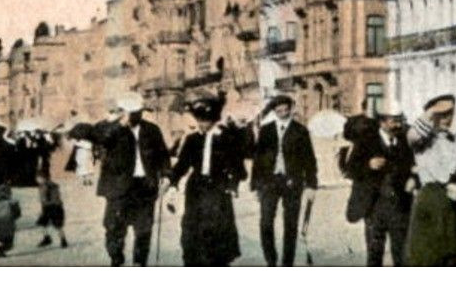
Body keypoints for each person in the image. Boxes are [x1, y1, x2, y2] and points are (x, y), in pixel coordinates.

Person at [168, 94, 246, 267]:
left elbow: (238, 167)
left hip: (218, 189)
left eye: (206, 120)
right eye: (199, 119)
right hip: (196, 189)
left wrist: (233, 185)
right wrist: (171, 182)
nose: (202, 124)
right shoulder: (192, 139)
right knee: (191, 231)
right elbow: (182, 165)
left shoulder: (226, 138)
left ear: (214, 119)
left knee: (217, 233)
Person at [95, 99, 170, 267]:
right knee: (114, 228)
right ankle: (117, 260)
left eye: (139, 112)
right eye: (132, 112)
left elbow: (163, 155)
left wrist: (166, 175)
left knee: (144, 229)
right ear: (123, 111)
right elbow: (102, 140)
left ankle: (139, 263)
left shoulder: (151, 130)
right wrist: (120, 124)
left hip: (144, 185)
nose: (136, 116)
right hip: (118, 187)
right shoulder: (108, 128)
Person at [405, 94, 456, 266]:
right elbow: (412, 135)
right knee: (427, 257)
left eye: (450, 113)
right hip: (431, 200)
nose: (446, 118)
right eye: (441, 114)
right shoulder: (422, 141)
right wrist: (430, 113)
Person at [344, 100, 415, 266]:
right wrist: (368, 165)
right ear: (382, 121)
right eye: (393, 120)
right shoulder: (366, 140)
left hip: (400, 206)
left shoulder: (405, 141)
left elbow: (414, 166)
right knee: (375, 255)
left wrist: (413, 178)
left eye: (400, 120)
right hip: (374, 207)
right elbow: (350, 168)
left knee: (403, 256)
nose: (398, 124)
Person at [250, 93, 318, 267]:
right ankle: (271, 261)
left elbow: (309, 159)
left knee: (291, 226)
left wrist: (311, 185)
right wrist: (255, 185)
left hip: (292, 183)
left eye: (285, 109)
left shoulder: (301, 131)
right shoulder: (266, 130)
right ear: (274, 111)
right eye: (278, 109)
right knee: (265, 223)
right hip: (269, 182)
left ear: (290, 109)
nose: (282, 112)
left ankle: (287, 264)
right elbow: (258, 159)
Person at [34, 164, 67, 249]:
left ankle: (47, 238)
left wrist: (43, 208)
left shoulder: (45, 186)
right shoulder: (52, 185)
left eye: (38, 178)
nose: (37, 180)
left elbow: (45, 199)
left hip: (50, 208)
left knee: (42, 223)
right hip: (57, 207)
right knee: (58, 225)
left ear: (43, 178)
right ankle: (63, 240)